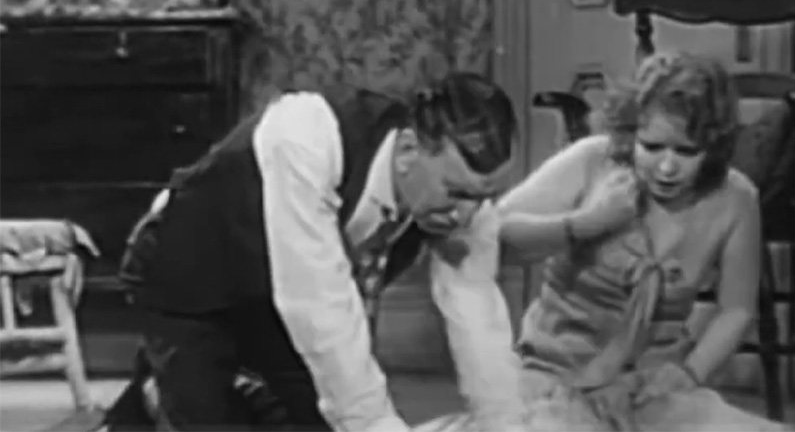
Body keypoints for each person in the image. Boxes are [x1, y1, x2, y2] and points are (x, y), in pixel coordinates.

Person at [105, 71, 527, 432]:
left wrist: (506, 426)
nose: (466, 213)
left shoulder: (462, 208)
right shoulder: (308, 136)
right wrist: (374, 424)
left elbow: (478, 315)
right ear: (408, 150)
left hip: (273, 303)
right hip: (187, 278)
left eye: (483, 197)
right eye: (456, 192)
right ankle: (149, 402)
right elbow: (317, 303)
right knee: (208, 418)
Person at [417, 52, 790, 432]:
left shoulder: (735, 197)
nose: (667, 167)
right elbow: (489, 238)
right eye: (652, 147)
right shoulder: (594, 160)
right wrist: (584, 224)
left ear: (712, 146)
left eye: (686, 151)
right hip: (557, 381)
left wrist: (689, 373)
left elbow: (736, 310)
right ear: (631, 133)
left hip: (651, 389)